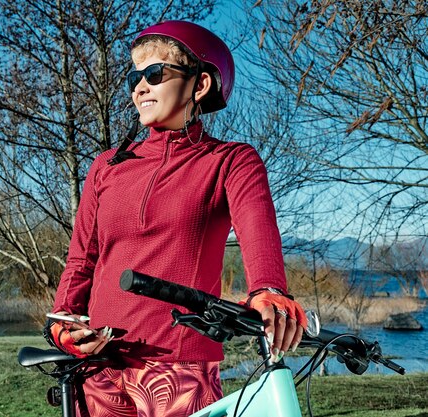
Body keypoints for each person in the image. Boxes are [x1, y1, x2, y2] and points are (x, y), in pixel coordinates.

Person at [46, 20, 307, 417]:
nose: (139, 87)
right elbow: (82, 260)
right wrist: (62, 324)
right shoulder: (107, 166)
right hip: (100, 364)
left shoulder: (230, 161)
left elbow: (258, 235)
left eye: (155, 73)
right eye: (135, 76)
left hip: (179, 367)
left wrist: (268, 289)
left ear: (199, 85)